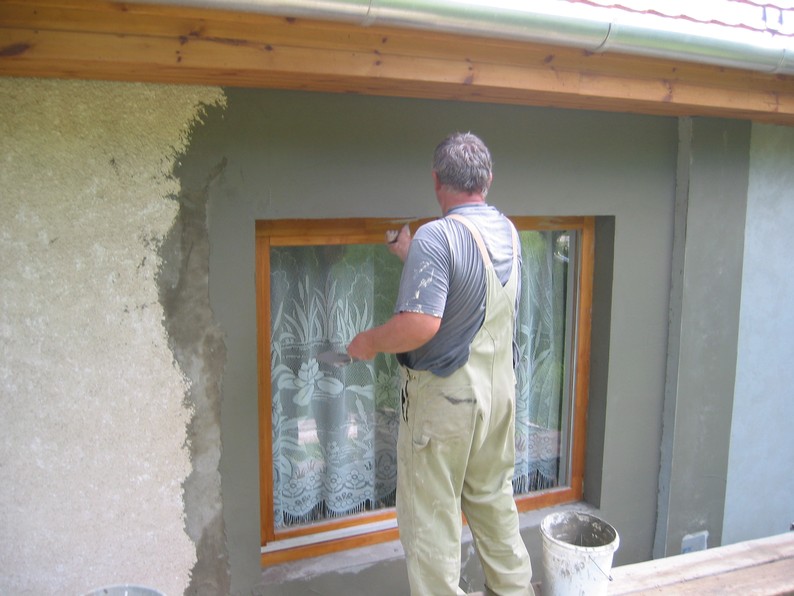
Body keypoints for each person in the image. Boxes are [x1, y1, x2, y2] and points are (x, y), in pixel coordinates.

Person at [347, 132, 534, 595]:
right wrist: (415, 257)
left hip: (447, 404)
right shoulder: (507, 232)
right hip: (498, 397)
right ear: (488, 180)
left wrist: (369, 342)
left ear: (436, 181)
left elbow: (421, 325)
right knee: (493, 500)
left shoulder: (437, 236)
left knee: (431, 519)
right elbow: (472, 292)